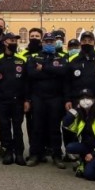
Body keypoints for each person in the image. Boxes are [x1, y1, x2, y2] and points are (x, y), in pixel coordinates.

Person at [26, 31, 68, 167]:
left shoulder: (61, 57)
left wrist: (43, 68)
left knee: (55, 128)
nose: (49, 43)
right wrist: (52, 72)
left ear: (55, 43)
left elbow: (63, 72)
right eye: (47, 41)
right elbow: (31, 74)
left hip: (55, 98)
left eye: (51, 42)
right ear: (42, 43)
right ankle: (35, 154)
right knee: (36, 127)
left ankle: (57, 155)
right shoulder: (34, 57)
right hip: (38, 97)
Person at [0, 33, 28, 165]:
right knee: (5, 126)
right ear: (4, 42)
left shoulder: (22, 59)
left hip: (18, 100)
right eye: (11, 40)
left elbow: (26, 82)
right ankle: (8, 152)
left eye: (15, 41)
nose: (14, 43)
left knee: (17, 127)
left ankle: (19, 153)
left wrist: (26, 100)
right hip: (2, 100)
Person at [62, 89, 95, 180]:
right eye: (82, 98)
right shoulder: (79, 114)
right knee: (70, 147)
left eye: (88, 98)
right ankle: (83, 162)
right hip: (86, 146)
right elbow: (65, 124)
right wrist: (74, 111)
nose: (85, 100)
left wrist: (93, 154)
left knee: (89, 175)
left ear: (94, 100)